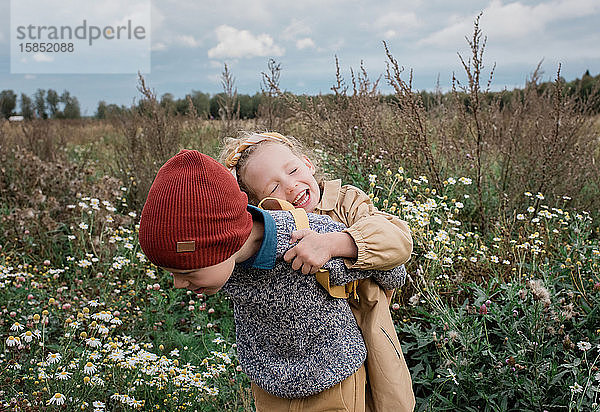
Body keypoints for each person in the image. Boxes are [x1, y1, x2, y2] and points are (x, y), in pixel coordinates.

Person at [138, 149, 407, 411]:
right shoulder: (226, 262)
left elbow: (393, 269)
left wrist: (339, 246)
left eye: (186, 272)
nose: (177, 284)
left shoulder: (307, 241)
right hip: (269, 386)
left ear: (225, 245)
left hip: (333, 383)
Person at [220, 132, 415, 412]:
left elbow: (397, 239)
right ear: (259, 204)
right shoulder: (275, 231)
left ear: (308, 164)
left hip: (371, 329)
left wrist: (332, 243)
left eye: (293, 170)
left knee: (385, 399)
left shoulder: (346, 202)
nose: (290, 186)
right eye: (273, 187)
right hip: (319, 355)